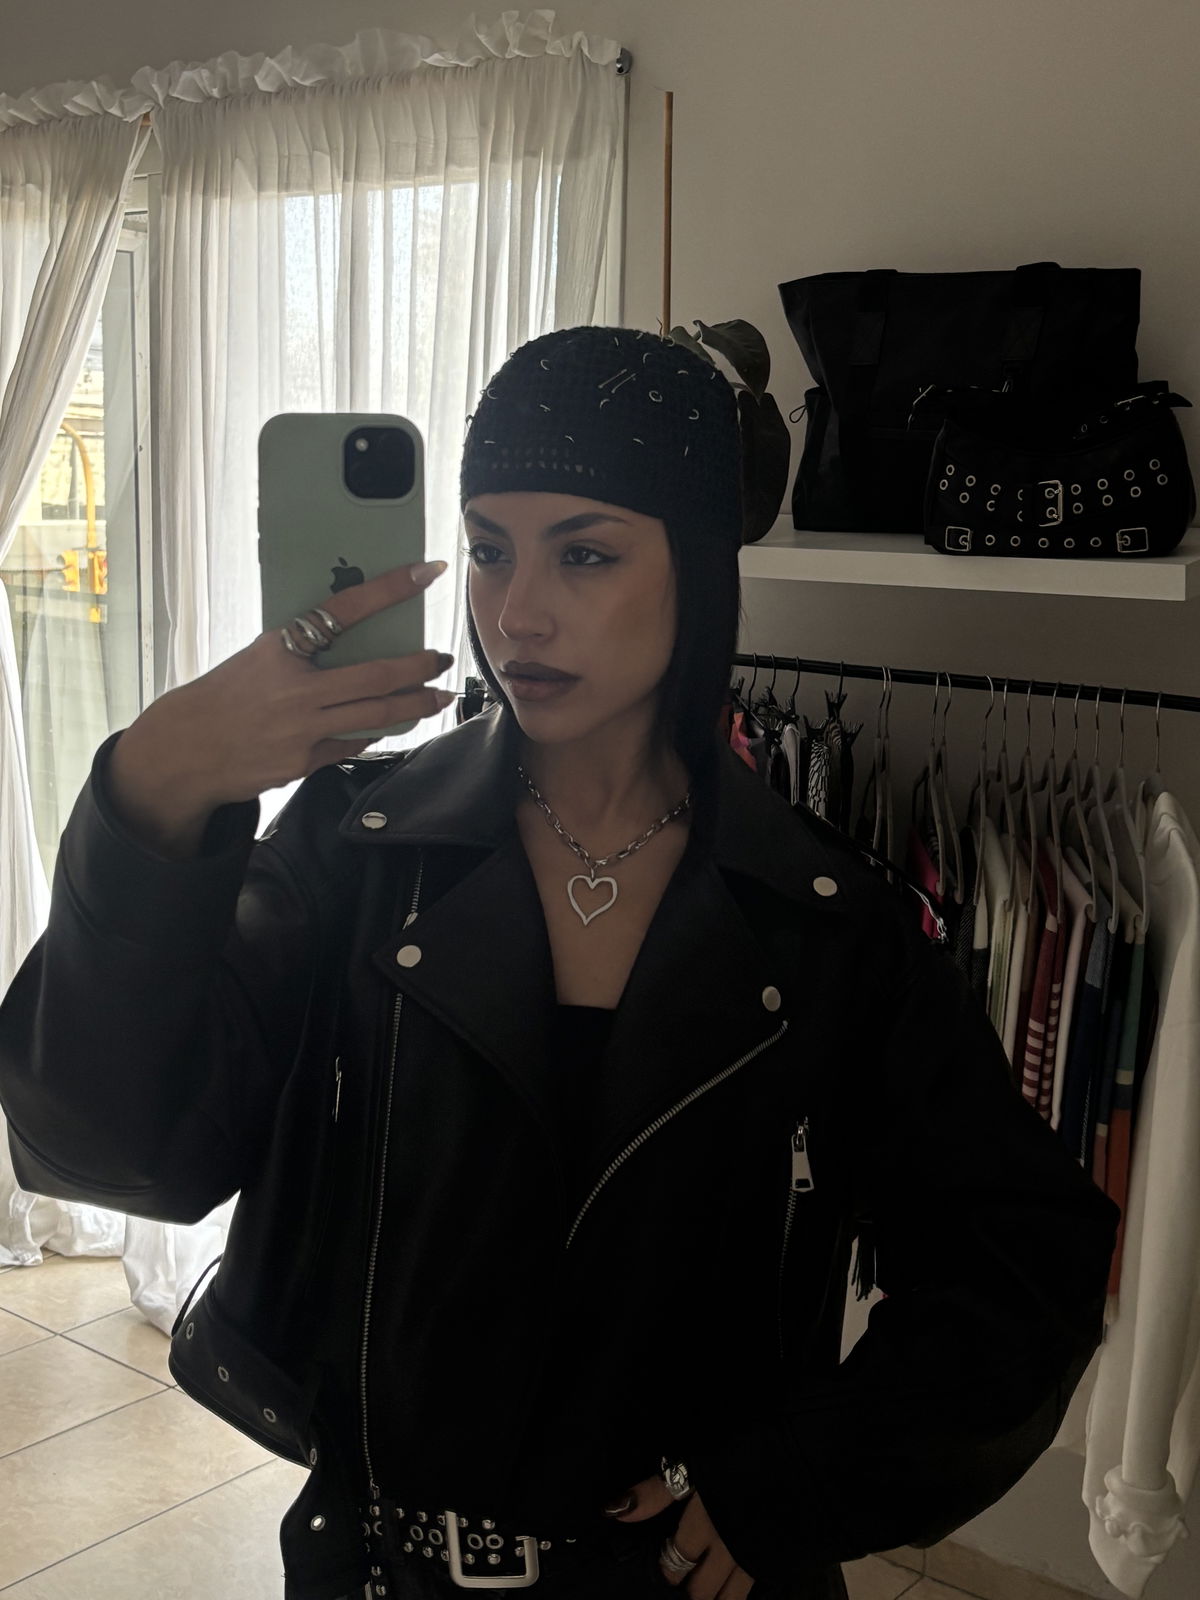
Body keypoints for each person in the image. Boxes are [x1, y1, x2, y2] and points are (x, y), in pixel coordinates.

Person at [0, 326, 1119, 1600]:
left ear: (696, 565)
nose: (515, 612)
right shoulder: (357, 855)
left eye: (584, 553)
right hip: (384, 1576)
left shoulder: (819, 916)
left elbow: (1023, 1262)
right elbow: (111, 1147)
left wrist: (802, 1479)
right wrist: (155, 791)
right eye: (489, 549)